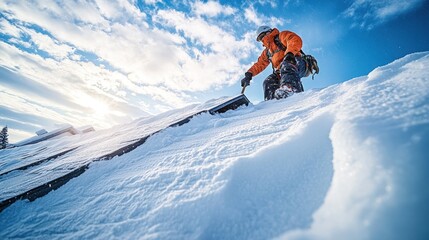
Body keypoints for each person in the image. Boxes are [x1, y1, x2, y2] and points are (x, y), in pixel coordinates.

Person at [241, 26, 318, 100]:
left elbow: (294, 39)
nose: (262, 40)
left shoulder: (281, 37)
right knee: (268, 81)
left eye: (262, 37)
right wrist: (249, 74)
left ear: (268, 32)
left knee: (286, 65)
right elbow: (260, 64)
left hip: (295, 62)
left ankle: (290, 89)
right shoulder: (267, 52)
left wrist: (290, 54)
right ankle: (273, 101)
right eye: (260, 39)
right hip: (282, 71)